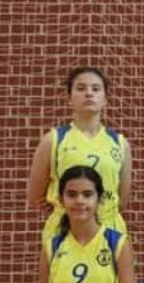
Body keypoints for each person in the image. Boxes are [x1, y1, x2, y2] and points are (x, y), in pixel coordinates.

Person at [28, 67, 132, 241]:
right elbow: (36, 196)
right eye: (81, 88)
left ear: (105, 99)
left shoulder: (120, 143)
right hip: (65, 228)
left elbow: (122, 200)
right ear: (69, 98)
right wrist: (71, 210)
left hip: (109, 229)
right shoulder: (53, 140)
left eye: (96, 89)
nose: (89, 93)